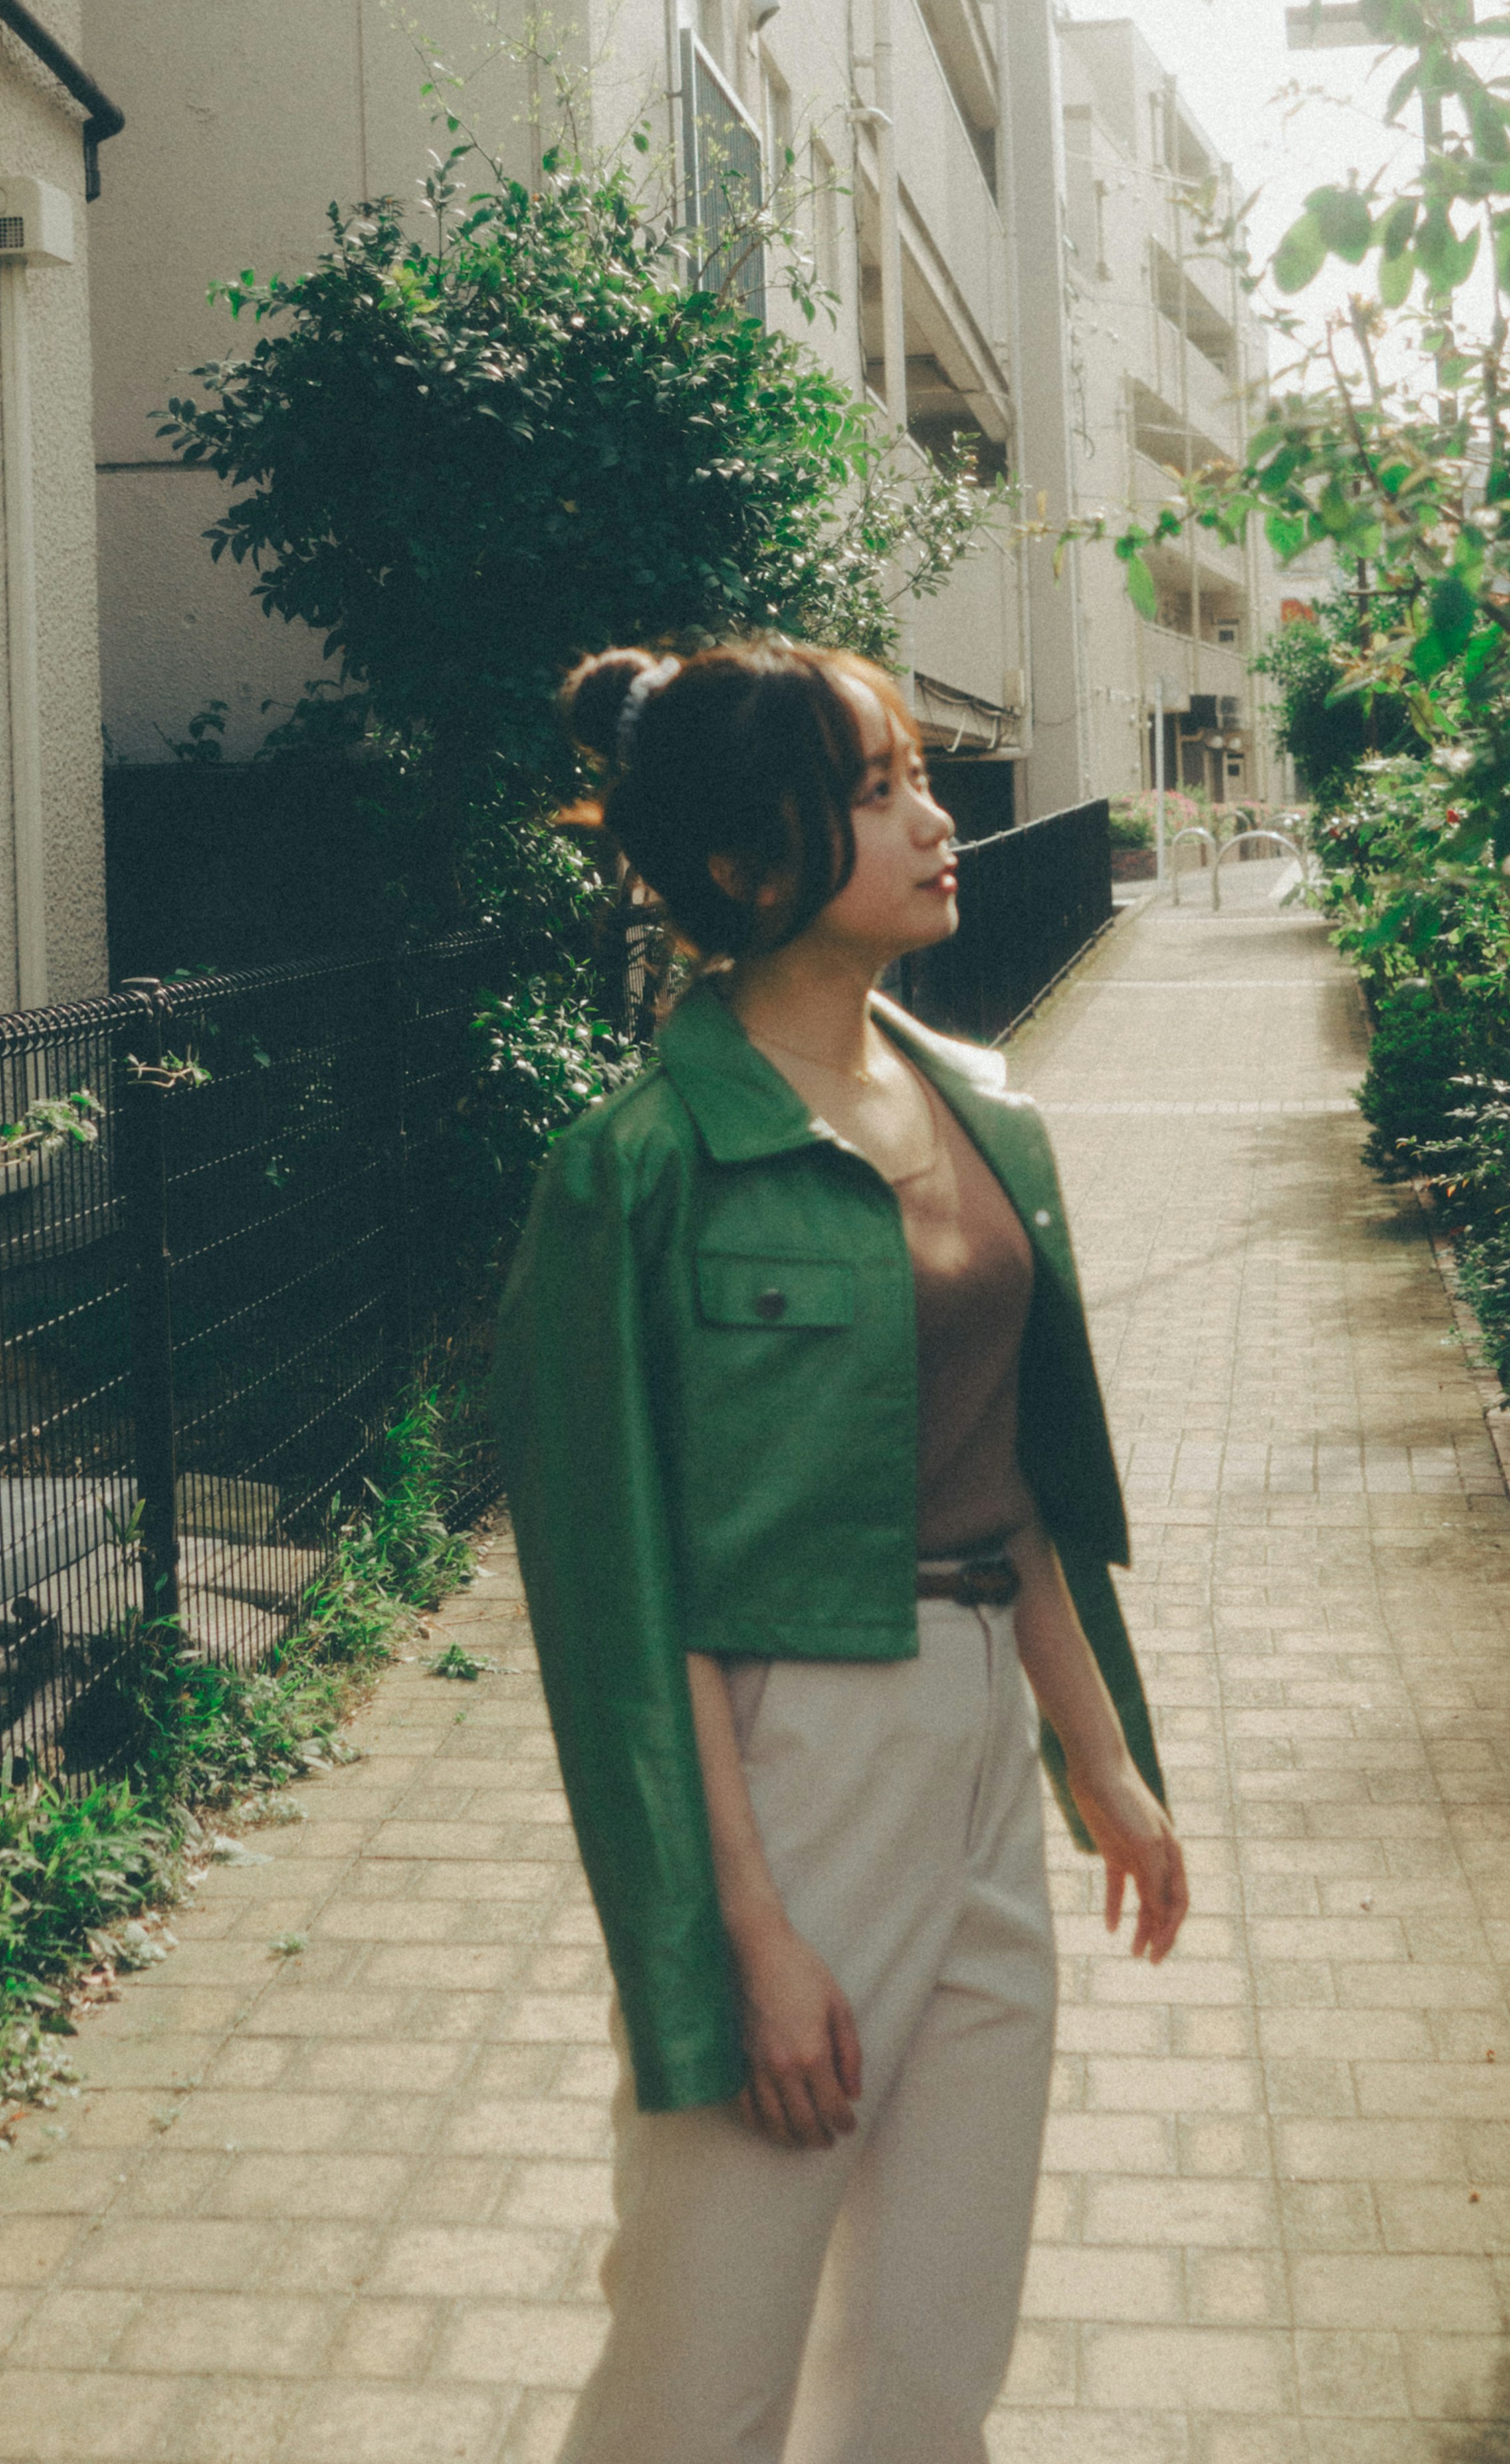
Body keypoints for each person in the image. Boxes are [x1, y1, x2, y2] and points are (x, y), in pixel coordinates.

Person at [495, 635, 1187, 2464]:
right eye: (880, 790)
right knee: (707, 2364)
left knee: (929, 2355)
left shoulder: (978, 1101)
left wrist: (1102, 1760)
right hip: (787, 1765)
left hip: (978, 1753)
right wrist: (741, 1927)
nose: (939, 821)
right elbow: (618, 1586)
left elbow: (1008, 1466)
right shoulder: (639, 1167)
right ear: (744, 865)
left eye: (919, 778)